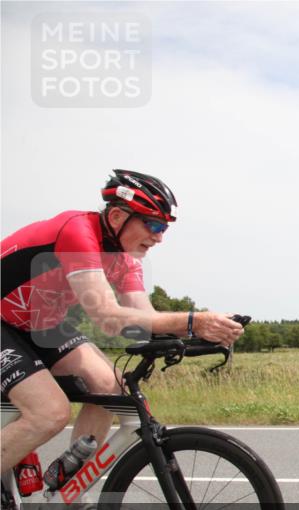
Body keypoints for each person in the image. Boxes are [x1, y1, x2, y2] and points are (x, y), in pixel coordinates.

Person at [0, 169, 244, 476]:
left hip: (40, 324)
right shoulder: (78, 232)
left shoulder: (127, 258)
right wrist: (195, 320)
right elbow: (107, 316)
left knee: (110, 386)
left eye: (164, 229)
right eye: (154, 224)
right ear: (117, 216)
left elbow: (145, 320)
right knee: (49, 413)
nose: (158, 237)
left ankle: (67, 494)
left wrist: (204, 333)